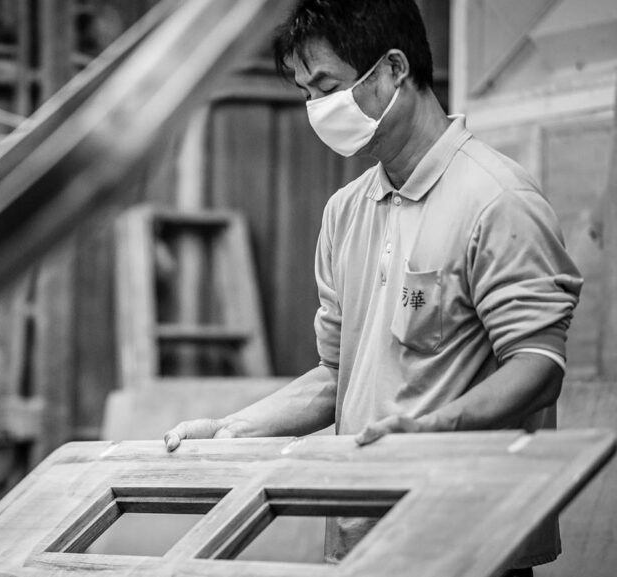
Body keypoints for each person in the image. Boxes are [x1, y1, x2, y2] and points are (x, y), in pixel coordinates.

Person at [162, 1, 581, 575]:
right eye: (307, 94)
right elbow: (338, 375)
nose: (316, 109)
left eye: (327, 86)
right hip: (361, 541)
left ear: (393, 69)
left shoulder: (497, 199)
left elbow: (537, 364)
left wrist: (433, 429)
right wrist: (231, 429)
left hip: (472, 544)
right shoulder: (345, 211)